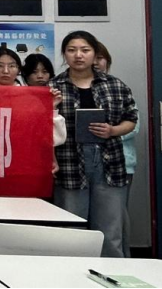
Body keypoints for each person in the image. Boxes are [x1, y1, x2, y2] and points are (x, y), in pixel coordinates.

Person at [51, 31, 137, 257]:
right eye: (71, 50)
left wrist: (113, 131)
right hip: (69, 163)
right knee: (71, 232)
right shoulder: (53, 86)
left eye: (85, 50)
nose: (78, 55)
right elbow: (41, 128)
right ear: (64, 54)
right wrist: (51, 106)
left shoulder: (114, 85)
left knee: (110, 232)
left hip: (109, 163)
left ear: (95, 54)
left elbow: (131, 119)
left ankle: (112, 274)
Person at [95, 42, 139, 257]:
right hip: (85, 164)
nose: (96, 63)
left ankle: (123, 261)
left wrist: (110, 131)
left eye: (100, 58)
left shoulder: (117, 88)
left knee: (117, 219)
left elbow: (134, 125)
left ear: (108, 61)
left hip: (121, 163)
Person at [0, 46, 67, 148]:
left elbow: (55, 139)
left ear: (19, 70)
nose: (6, 71)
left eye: (12, 66)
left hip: (24, 153)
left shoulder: (31, 99)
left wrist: (51, 108)